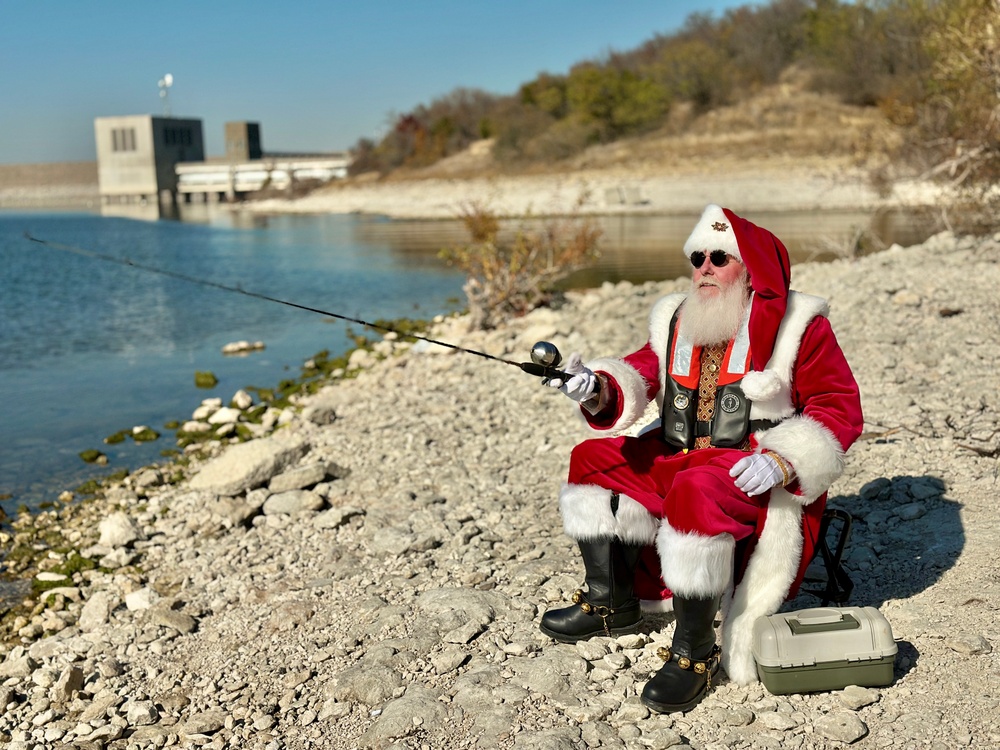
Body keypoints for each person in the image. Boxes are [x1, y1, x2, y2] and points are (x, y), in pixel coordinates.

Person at [538, 204, 863, 714]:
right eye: (697, 257)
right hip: (673, 453)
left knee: (696, 491)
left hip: (748, 466)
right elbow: (643, 372)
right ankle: (610, 602)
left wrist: (784, 460)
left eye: (718, 257)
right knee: (592, 459)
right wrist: (595, 388)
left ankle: (694, 654)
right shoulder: (675, 317)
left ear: (750, 269)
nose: (704, 268)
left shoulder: (801, 326)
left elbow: (838, 407)